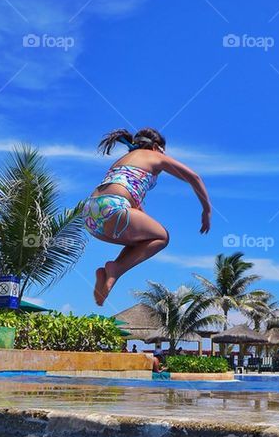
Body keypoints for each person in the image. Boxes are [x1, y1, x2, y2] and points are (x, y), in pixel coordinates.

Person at [82, 128, 211, 305]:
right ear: (157, 147)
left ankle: (112, 273)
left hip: (91, 217)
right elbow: (194, 177)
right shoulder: (155, 156)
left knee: (142, 239)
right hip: (115, 208)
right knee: (162, 237)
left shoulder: (122, 161)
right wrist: (207, 209)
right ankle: (116, 269)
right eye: (164, 151)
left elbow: (129, 196)